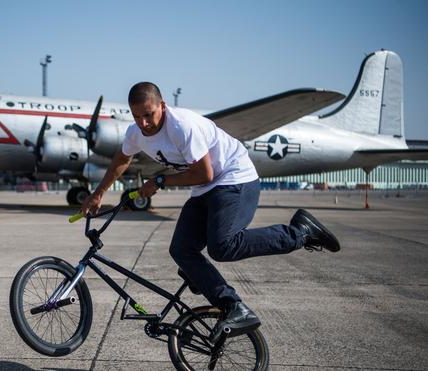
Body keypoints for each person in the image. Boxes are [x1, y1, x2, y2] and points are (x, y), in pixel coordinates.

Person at [81, 82, 340, 337]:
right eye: (137, 117)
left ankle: (301, 233)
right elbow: (122, 159)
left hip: (234, 178)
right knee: (181, 250)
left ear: (163, 106)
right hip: (205, 188)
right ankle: (233, 306)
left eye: (149, 115)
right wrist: (98, 193)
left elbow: (205, 173)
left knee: (223, 246)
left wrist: (160, 181)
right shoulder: (135, 133)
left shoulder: (182, 127)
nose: (144, 123)